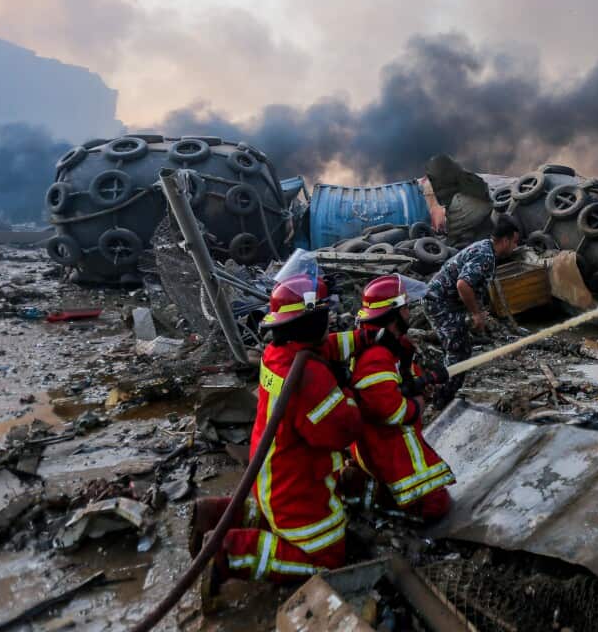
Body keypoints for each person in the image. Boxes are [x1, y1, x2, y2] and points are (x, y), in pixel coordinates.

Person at [188, 260, 362, 608]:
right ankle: (226, 555)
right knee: (327, 557)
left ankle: (219, 514)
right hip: (297, 487)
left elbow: (323, 347)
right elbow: (343, 431)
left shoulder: (278, 353)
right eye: (326, 316)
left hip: (271, 473)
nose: (330, 323)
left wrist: (365, 337)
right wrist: (353, 394)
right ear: (314, 321)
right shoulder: (310, 379)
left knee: (276, 517)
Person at [347, 275, 455, 521]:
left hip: (389, 440)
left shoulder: (392, 345)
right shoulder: (375, 356)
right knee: (435, 506)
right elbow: (389, 410)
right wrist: (417, 404)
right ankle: (387, 505)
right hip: (386, 442)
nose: (409, 312)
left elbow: (401, 377)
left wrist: (422, 382)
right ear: (393, 315)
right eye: (405, 307)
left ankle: (373, 487)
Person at [423, 213, 521, 403]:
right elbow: (463, 284)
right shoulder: (485, 256)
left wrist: (481, 312)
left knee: (462, 350)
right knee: (458, 352)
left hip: (447, 302)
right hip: (439, 302)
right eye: (514, 242)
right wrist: (476, 314)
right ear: (506, 240)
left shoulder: (487, 248)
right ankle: (441, 399)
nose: (515, 247)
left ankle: (445, 392)